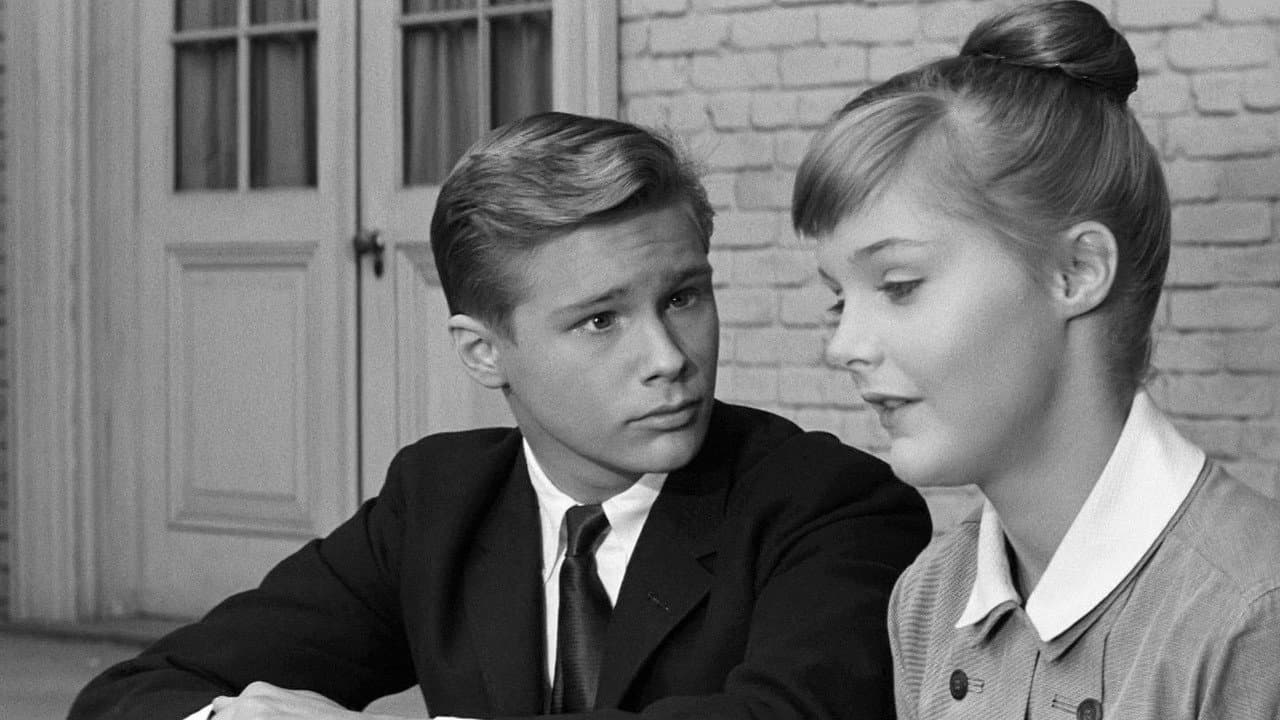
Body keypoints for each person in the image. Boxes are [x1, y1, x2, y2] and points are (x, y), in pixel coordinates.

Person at [70, 112, 931, 720]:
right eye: (601, 320)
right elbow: (133, 695)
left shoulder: (833, 505)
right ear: (484, 352)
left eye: (683, 296)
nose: (669, 357)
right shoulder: (439, 500)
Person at [791, 2, 1280, 718]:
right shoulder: (927, 599)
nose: (843, 346)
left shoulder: (1254, 616)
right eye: (839, 299)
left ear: (1076, 271)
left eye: (898, 285)